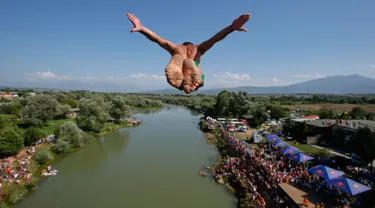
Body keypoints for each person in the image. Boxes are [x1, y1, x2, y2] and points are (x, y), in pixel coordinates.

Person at [126, 13, 251, 94]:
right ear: (191, 45)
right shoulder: (199, 48)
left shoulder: (176, 47)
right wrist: (231, 28)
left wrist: (142, 29)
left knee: (179, 57)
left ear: (183, 45)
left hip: (178, 72)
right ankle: (193, 77)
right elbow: (215, 39)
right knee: (192, 64)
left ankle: (181, 71)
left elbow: (157, 39)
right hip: (195, 76)